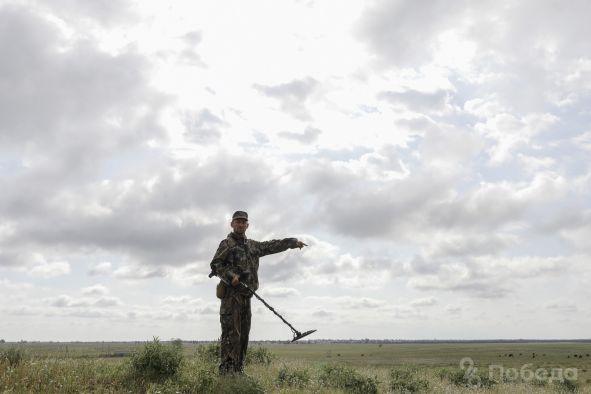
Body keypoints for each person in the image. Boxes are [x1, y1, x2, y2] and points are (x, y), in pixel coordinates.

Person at [209, 210, 306, 375]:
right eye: (237, 221)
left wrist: (291, 242)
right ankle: (226, 372)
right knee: (231, 334)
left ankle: (238, 370)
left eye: (243, 222)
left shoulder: (253, 245)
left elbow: (271, 246)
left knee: (243, 335)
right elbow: (216, 265)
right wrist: (231, 276)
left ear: (247, 225)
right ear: (232, 224)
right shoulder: (226, 244)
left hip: (247, 296)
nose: (240, 224)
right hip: (231, 296)